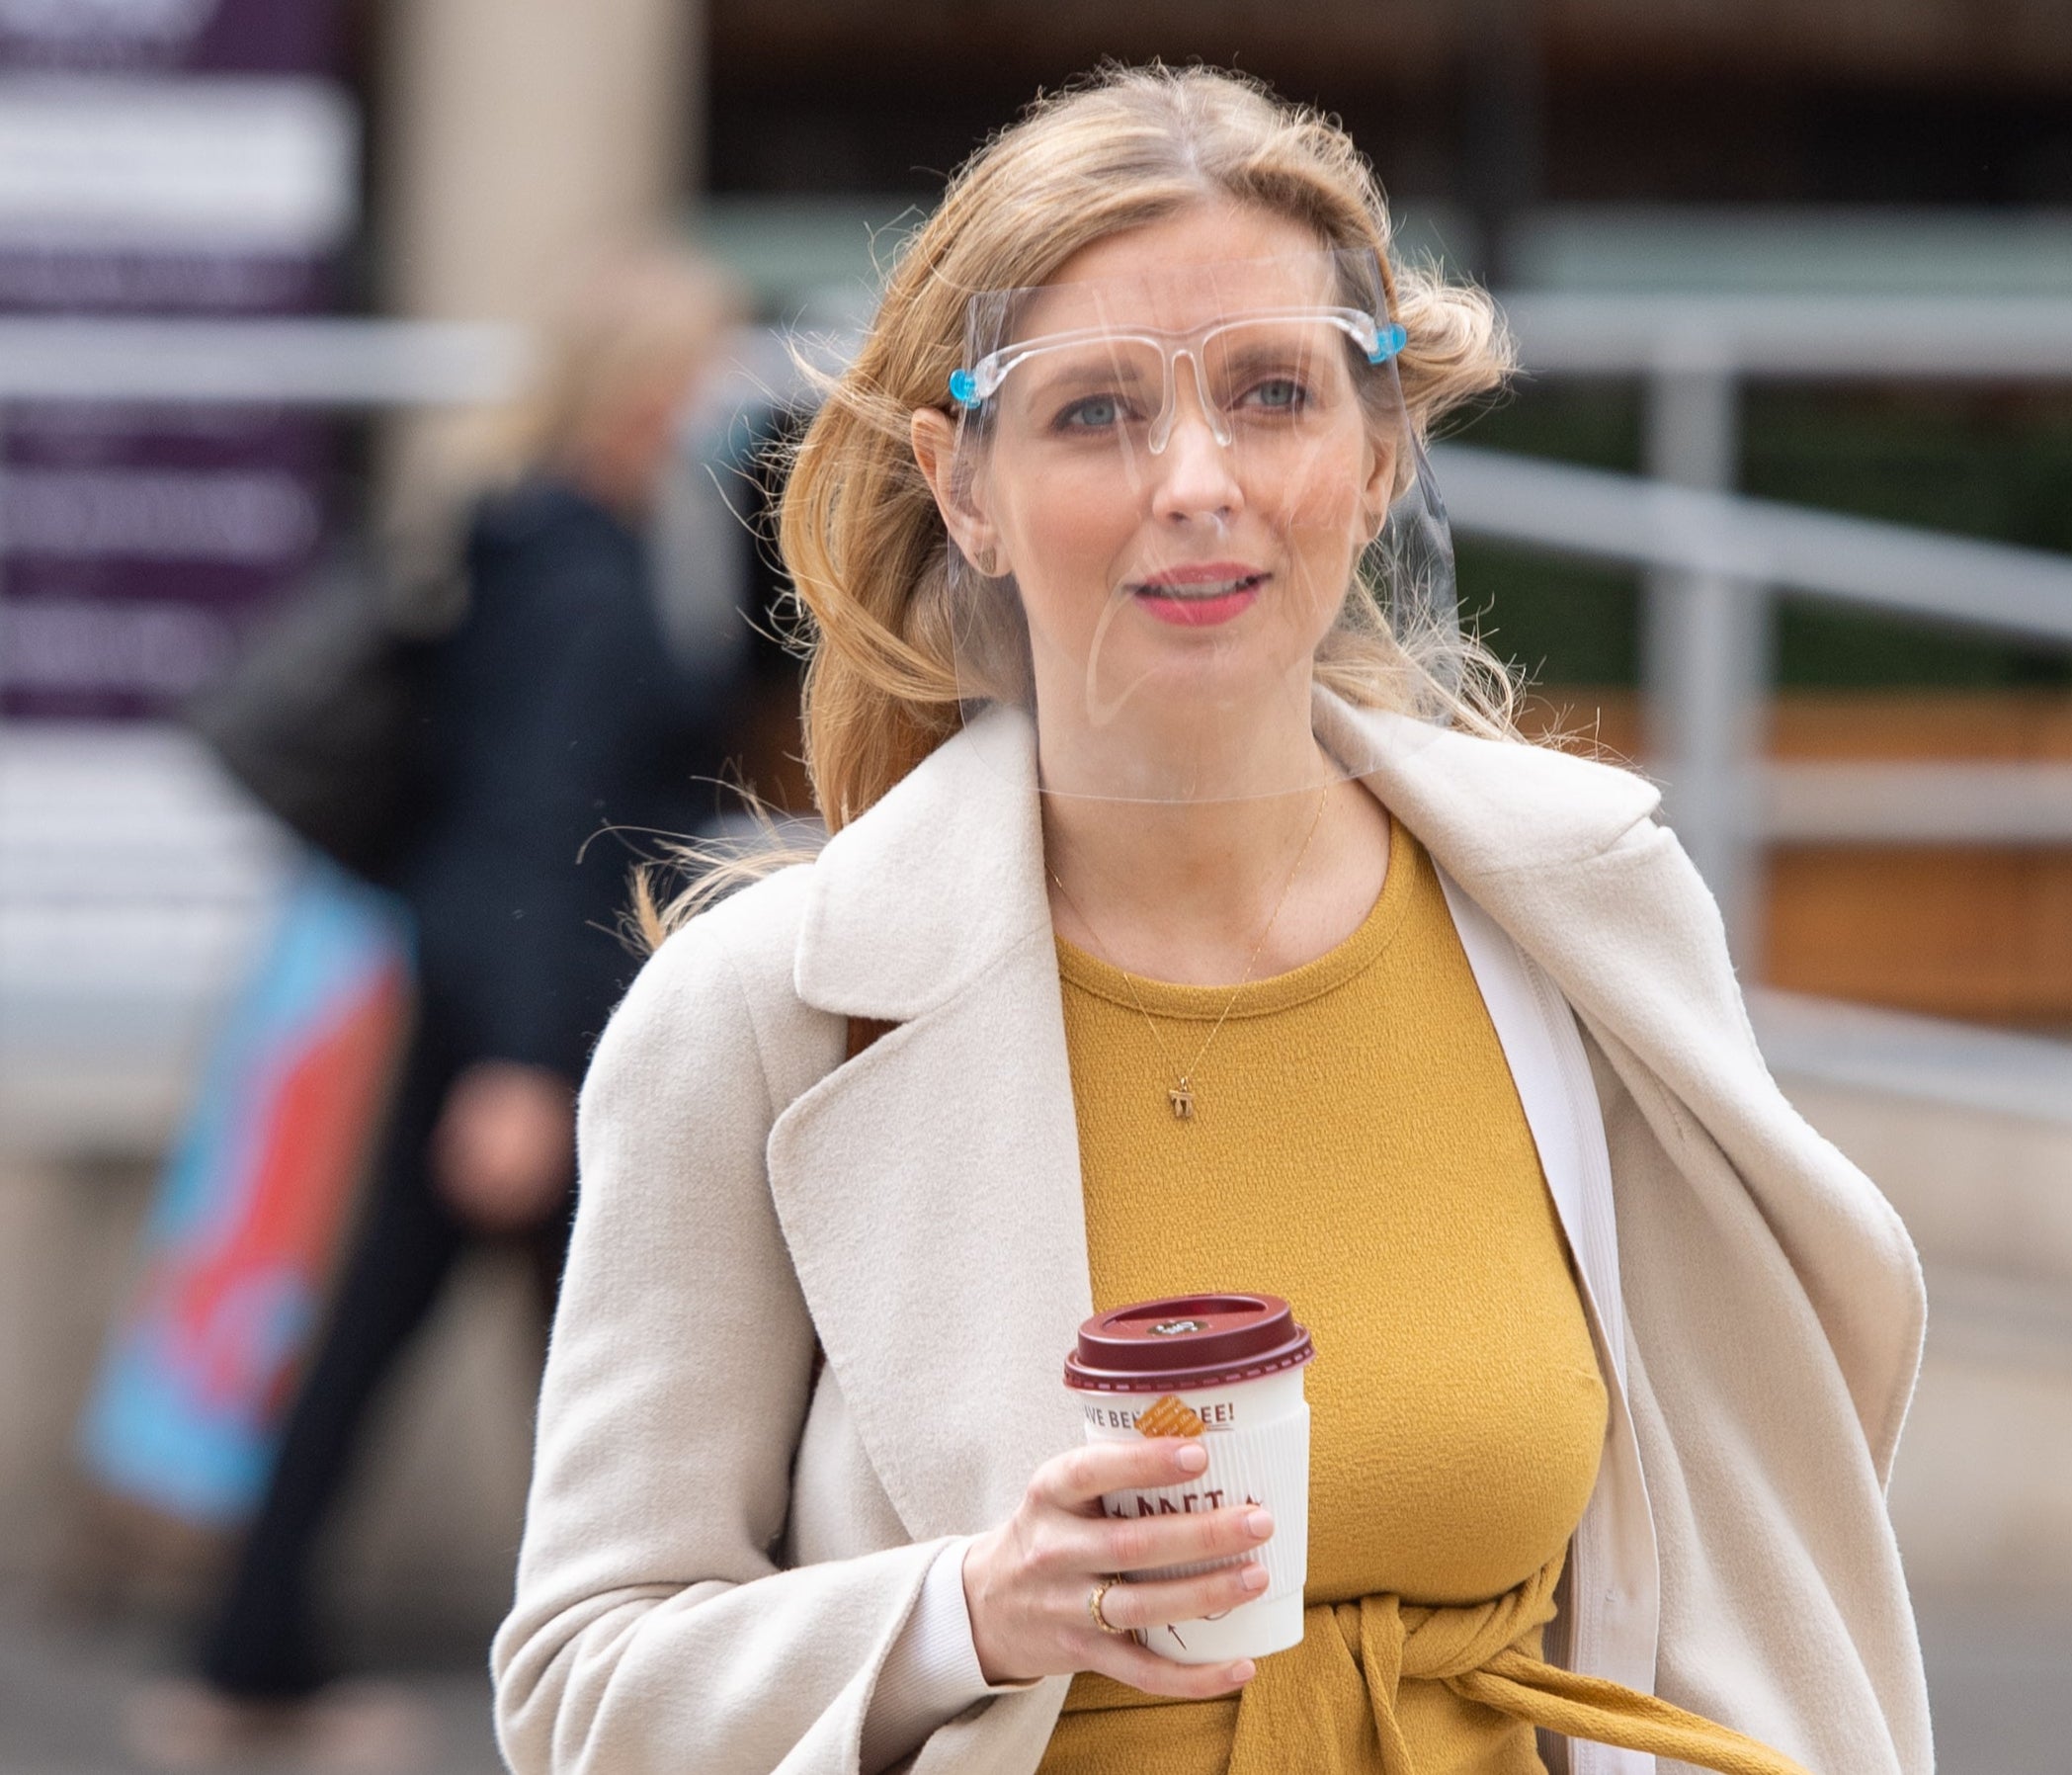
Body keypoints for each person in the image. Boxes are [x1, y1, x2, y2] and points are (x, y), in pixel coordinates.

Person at [493, 66, 1931, 1775]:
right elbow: (583, 1684)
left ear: (1379, 449)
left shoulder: (1581, 926)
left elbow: (1759, 1593)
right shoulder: (763, 1015)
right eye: (1095, 409)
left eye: (1271, 393)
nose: (1197, 477)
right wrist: (968, 1610)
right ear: (965, 487)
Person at [133, 247, 745, 1769]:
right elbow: (544, 828)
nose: (711, 397)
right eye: (699, 366)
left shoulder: (518, 535)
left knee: (459, 1346)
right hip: (527, 1029)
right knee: (591, 1366)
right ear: (646, 383)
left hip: (471, 998)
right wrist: (529, 1070)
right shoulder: (588, 577)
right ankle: (600, 1680)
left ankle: (257, 1655)